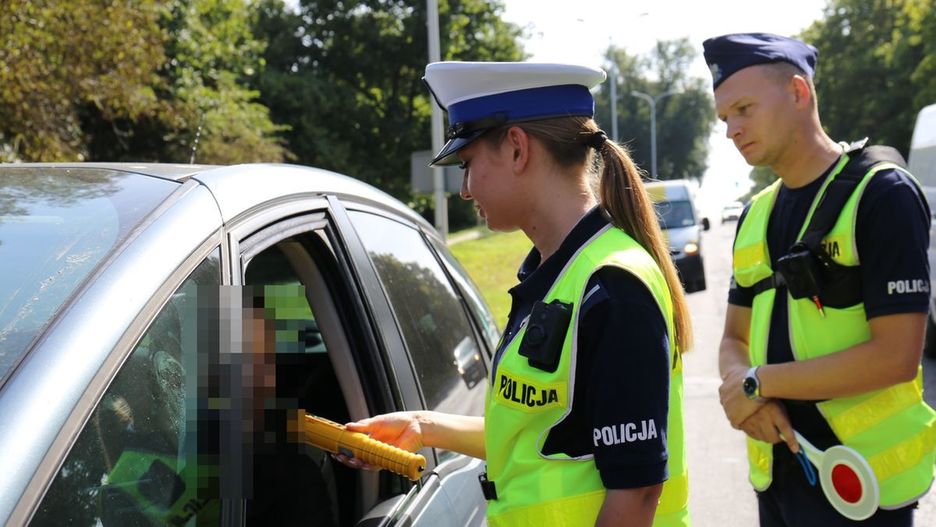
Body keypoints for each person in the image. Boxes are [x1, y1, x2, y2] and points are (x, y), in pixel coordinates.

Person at [334, 61, 692, 527]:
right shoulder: (556, 273)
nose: (464, 190)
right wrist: (422, 427)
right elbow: (538, 436)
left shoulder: (612, 287)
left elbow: (637, 492)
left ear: (518, 149)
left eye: (467, 164)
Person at [704, 32, 936, 526]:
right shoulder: (755, 214)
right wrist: (748, 396)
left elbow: (896, 357)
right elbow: (733, 339)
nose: (731, 130)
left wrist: (755, 383)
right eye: (725, 118)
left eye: (743, 109)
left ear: (798, 92)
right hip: (779, 477)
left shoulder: (881, 194)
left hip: (864, 487)